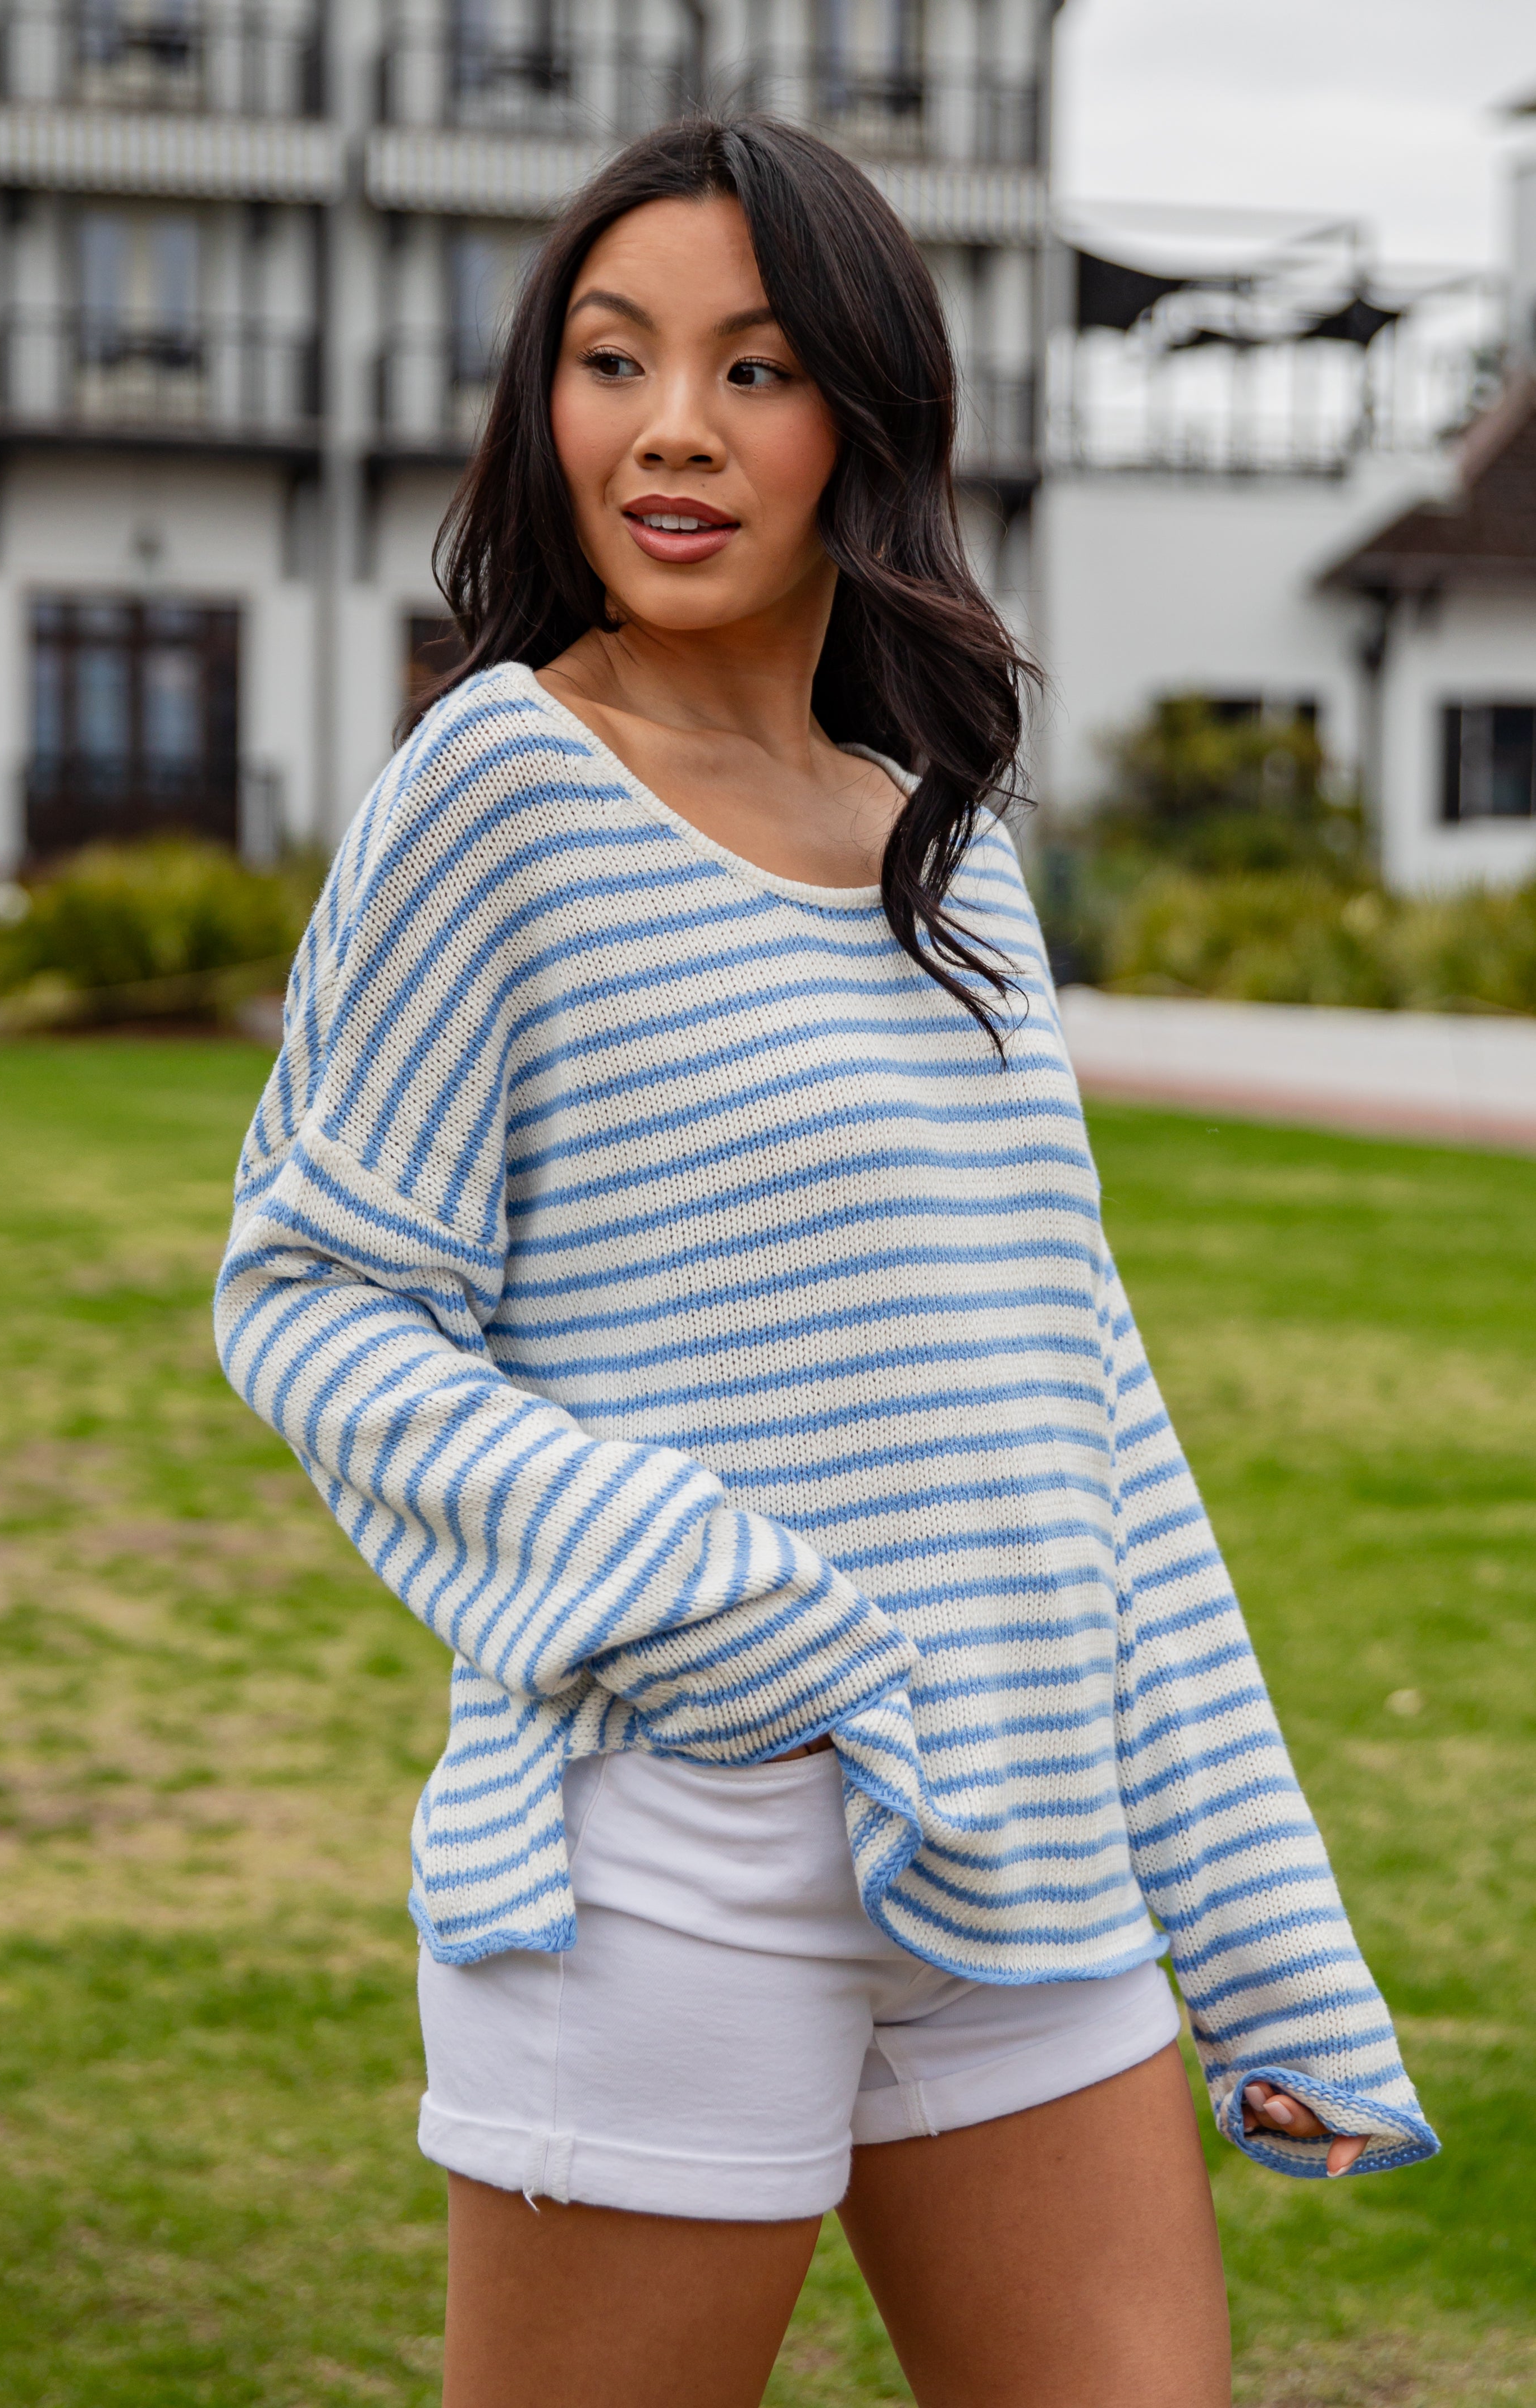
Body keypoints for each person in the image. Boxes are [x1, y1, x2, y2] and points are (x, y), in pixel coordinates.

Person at [216, 115, 1436, 2408]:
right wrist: (715, 1596)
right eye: (613, 358)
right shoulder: (497, 783)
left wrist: (1271, 1947)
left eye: (753, 369)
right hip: (680, 1847)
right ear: (541, 405)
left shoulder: (945, 864)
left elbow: (1081, 1417)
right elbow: (313, 1296)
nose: (671, 426)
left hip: (1030, 1861)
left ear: (860, 422)